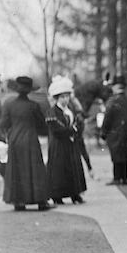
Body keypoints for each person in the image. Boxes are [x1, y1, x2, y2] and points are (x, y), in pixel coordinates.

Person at [0, 76, 52, 211]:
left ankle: (19, 202)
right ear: (29, 90)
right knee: (34, 170)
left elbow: (4, 123)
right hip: (30, 139)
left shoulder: (8, 104)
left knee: (17, 171)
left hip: (15, 140)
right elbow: (42, 125)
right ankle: (41, 201)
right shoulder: (34, 106)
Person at [45, 76, 87, 205]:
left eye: (67, 96)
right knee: (59, 170)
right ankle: (57, 196)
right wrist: (72, 130)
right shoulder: (52, 112)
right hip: (58, 145)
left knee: (73, 168)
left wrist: (77, 129)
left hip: (71, 144)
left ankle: (75, 194)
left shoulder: (71, 111)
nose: (65, 99)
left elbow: (78, 125)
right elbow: (56, 130)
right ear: (57, 98)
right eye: (62, 97)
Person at [101, 75, 127, 185]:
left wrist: (103, 133)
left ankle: (116, 178)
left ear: (115, 87)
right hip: (126, 133)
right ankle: (124, 178)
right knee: (125, 155)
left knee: (116, 156)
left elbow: (107, 119)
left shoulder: (112, 102)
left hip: (114, 133)